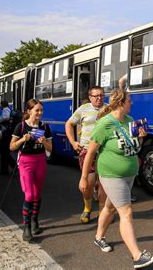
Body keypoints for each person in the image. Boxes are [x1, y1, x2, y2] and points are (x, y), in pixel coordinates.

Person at [79, 89, 153, 268]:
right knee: (126, 212)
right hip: (111, 174)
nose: (132, 104)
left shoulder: (130, 121)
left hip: (129, 174)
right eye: (129, 101)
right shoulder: (105, 124)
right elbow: (90, 152)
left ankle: (99, 237)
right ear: (121, 103)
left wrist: (140, 137)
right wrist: (84, 177)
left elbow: (133, 147)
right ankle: (137, 256)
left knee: (109, 207)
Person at [9, 99, 52, 242]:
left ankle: (35, 221)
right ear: (29, 111)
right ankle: (26, 227)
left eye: (41, 110)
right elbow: (12, 147)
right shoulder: (20, 126)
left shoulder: (45, 127)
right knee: (29, 195)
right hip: (26, 162)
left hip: (40, 161)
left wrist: (44, 141)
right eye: (37, 110)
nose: (39, 113)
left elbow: (51, 149)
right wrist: (23, 139)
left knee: (37, 194)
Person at [65, 86, 108, 224]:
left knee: (103, 184)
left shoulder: (109, 109)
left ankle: (102, 212)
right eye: (95, 96)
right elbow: (69, 124)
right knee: (88, 184)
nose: (99, 98)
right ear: (90, 97)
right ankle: (87, 208)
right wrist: (73, 142)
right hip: (86, 150)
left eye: (101, 95)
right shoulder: (83, 109)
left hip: (104, 151)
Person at [0, 101, 13, 175]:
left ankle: (14, 166)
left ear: (2, 105)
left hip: (6, 133)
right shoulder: (7, 109)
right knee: (3, 152)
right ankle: (4, 170)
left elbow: (6, 118)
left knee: (4, 152)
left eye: (0, 104)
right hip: (5, 133)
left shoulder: (5, 109)